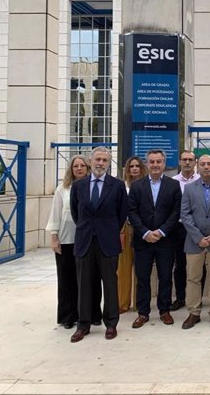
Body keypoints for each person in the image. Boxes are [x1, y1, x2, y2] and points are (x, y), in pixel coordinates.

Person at [69, 147, 128, 343]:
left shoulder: (117, 185)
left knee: (110, 284)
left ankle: (111, 323)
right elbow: (76, 213)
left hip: (108, 242)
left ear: (108, 163)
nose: (100, 163)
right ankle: (83, 324)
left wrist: (108, 230)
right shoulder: (79, 186)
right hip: (85, 241)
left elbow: (121, 214)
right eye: (97, 159)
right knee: (84, 284)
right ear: (91, 161)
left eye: (104, 160)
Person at [46, 155, 102, 329]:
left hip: (87, 240)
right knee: (67, 279)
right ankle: (68, 316)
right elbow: (55, 214)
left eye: (82, 165)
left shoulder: (93, 187)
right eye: (75, 166)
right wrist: (54, 238)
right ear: (71, 169)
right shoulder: (62, 189)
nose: (79, 168)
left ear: (88, 167)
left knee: (91, 279)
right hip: (67, 240)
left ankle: (93, 314)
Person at [128, 149, 182, 329]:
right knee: (142, 278)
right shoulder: (136, 186)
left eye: (159, 162)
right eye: (152, 162)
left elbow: (176, 212)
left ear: (164, 164)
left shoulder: (173, 185)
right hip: (143, 240)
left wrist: (161, 232)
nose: (155, 165)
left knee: (165, 277)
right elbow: (132, 212)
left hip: (166, 240)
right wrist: (145, 232)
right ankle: (143, 312)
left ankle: (164, 310)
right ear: (147, 164)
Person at [180, 154, 210, 330]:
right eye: (203, 164)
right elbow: (185, 215)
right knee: (193, 278)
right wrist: (198, 237)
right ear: (197, 167)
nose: (206, 167)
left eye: (209, 164)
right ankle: (194, 313)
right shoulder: (189, 188)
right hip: (195, 242)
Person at [171, 150, 200, 312]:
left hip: (197, 228)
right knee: (180, 264)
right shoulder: (173, 182)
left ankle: (198, 297)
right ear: (180, 162)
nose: (187, 162)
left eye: (190, 159)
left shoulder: (202, 180)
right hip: (179, 228)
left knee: (199, 264)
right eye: (184, 160)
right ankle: (180, 297)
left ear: (195, 162)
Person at [118, 156, 147, 313]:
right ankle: (123, 302)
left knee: (141, 268)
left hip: (142, 229)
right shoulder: (121, 186)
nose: (134, 169)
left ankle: (139, 303)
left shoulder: (147, 185)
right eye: (131, 166)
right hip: (126, 228)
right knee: (123, 267)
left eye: (137, 166)